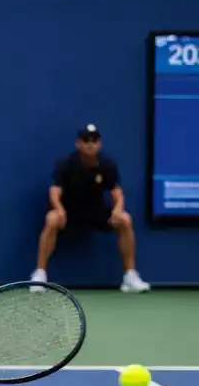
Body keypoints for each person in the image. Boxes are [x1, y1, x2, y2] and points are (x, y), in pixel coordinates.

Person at [31, 125, 151, 293]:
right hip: (69, 213)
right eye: (86, 141)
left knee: (125, 219)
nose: (90, 144)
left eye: (94, 141)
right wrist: (59, 209)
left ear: (99, 144)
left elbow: (117, 192)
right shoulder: (66, 164)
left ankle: (130, 277)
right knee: (52, 219)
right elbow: (54, 191)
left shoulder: (107, 165)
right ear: (78, 144)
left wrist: (117, 209)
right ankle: (40, 275)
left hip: (96, 213)